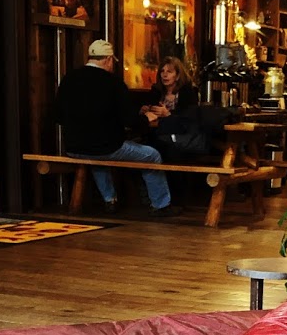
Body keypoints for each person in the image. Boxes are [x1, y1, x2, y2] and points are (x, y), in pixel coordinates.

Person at [54, 39, 180, 216]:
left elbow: (58, 116)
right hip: (106, 147)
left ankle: (110, 200)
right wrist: (146, 119)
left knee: (96, 156)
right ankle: (161, 205)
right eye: (112, 61)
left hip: (73, 147)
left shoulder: (68, 79)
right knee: (152, 155)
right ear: (108, 59)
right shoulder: (113, 82)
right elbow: (129, 120)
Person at [139, 57, 208, 163]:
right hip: (155, 133)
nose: (164, 75)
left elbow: (188, 118)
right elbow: (149, 108)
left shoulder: (188, 92)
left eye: (169, 72)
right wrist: (145, 110)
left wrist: (168, 114)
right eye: (162, 71)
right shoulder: (156, 91)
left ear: (178, 76)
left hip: (180, 137)